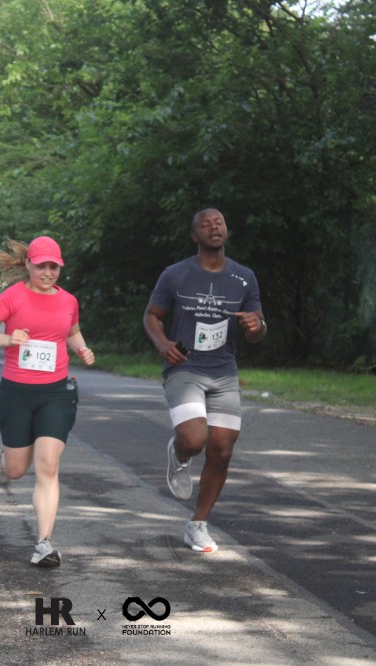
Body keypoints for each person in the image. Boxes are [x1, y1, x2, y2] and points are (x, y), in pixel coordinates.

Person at [143, 206, 267, 554]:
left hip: (224, 371)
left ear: (226, 229)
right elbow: (152, 315)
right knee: (195, 439)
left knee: (222, 449)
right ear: (194, 235)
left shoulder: (244, 277)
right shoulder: (176, 274)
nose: (214, 227)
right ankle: (180, 453)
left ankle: (197, 524)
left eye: (219, 222)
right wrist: (163, 344)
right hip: (185, 368)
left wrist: (257, 327)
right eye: (206, 224)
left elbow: (257, 330)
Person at [0, 236, 95, 568]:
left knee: (48, 464)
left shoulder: (68, 300)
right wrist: (8, 338)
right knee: (16, 470)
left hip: (56, 393)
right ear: (28, 265)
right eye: (41, 266)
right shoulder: (12, 296)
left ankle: (44, 543)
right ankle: (5, 460)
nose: (48, 272)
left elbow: (72, 332)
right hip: (16, 393)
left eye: (54, 266)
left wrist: (82, 349)